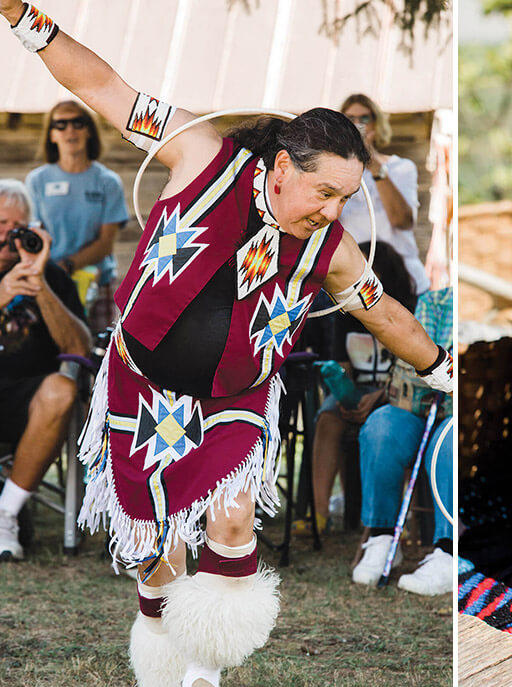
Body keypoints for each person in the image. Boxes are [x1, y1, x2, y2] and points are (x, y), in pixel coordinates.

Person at [0, 4, 453, 687]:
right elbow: (102, 86)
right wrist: (25, 19)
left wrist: (443, 369)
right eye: (324, 192)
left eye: (345, 197)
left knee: (233, 514)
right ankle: (161, 641)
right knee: (159, 551)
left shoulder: (332, 248)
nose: (333, 211)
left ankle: (204, 671)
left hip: (237, 394)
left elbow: (384, 313)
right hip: (144, 385)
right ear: (281, 166)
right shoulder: (200, 155)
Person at [0, 179, 91, 561]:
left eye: (17, 228)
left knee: (62, 388)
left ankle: (6, 514)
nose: (8, 236)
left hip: (30, 403)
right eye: (1, 225)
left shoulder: (50, 275)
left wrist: (40, 284)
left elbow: (80, 349)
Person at [301, 240, 417, 536]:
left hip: (396, 392)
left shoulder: (408, 310)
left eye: (367, 267)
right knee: (327, 419)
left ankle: (396, 518)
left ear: (384, 271)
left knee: (394, 425)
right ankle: (320, 513)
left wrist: (380, 396)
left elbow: (410, 371)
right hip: (357, 391)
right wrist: (344, 395)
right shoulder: (347, 310)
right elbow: (344, 366)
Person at [352, 287, 453, 595]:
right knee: (380, 428)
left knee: (446, 444)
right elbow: (410, 358)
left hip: (456, 412)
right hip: (415, 407)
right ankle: (383, 537)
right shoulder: (435, 302)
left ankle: (448, 551)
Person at [25, 99, 129, 332]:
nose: (70, 130)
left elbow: (105, 243)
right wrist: (53, 273)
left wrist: (68, 266)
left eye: (77, 123)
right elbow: (34, 233)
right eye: (60, 125)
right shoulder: (37, 181)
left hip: (97, 282)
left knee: (98, 348)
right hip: (50, 283)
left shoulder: (107, 182)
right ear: (52, 135)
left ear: (89, 131)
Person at [339, 93, 430, 294]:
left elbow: (402, 221)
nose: (357, 124)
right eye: (350, 119)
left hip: (401, 278)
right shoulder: (336, 172)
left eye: (365, 118)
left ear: (376, 123)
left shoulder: (402, 168)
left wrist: (374, 166)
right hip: (354, 281)